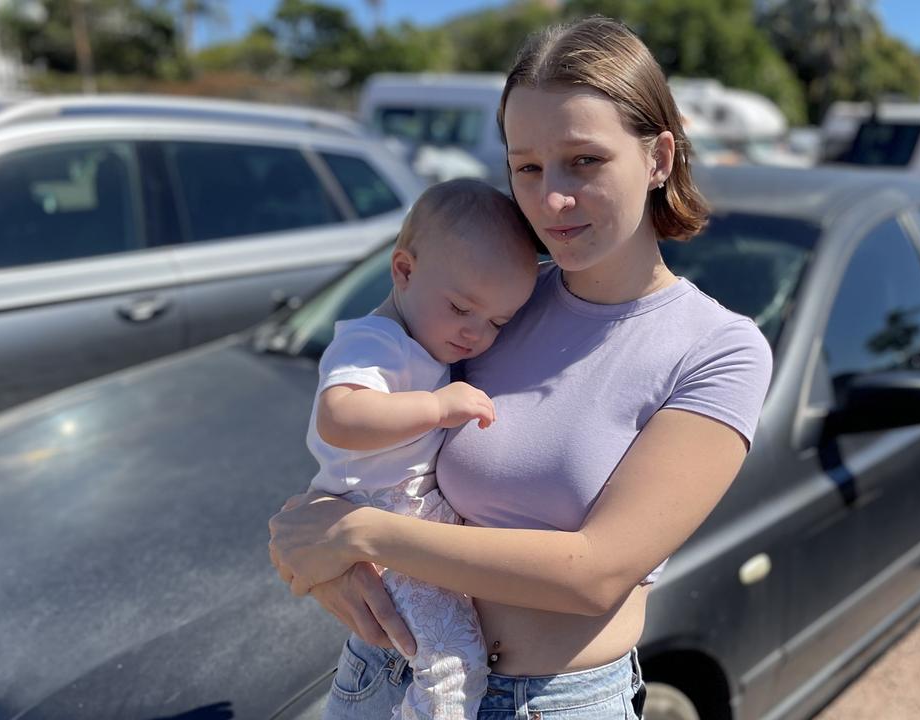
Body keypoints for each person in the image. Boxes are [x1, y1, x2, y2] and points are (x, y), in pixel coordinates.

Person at [269, 16, 773, 720]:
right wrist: (320, 520)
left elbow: (595, 575)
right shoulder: (494, 301)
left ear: (658, 158)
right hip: (388, 680)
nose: (551, 200)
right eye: (526, 167)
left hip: (553, 705)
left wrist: (359, 536)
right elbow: (371, 423)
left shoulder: (718, 349)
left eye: (584, 161)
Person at [303, 178, 538, 719]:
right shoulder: (376, 339)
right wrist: (438, 408)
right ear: (404, 269)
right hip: (388, 509)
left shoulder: (422, 337)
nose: (475, 333)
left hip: (402, 511)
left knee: (444, 648)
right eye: (462, 308)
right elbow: (340, 416)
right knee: (451, 657)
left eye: (497, 322)